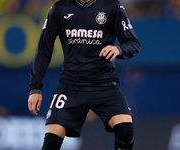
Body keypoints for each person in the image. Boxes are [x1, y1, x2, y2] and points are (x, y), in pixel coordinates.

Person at [27, 0, 141, 149]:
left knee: (125, 130)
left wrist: (119, 49)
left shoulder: (112, 6)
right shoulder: (59, 8)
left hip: (104, 82)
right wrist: (35, 89)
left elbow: (133, 44)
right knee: (51, 140)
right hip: (71, 84)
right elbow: (43, 50)